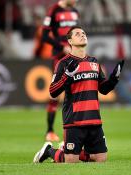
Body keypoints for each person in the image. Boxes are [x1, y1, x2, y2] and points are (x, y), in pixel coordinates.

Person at [33, 26, 125, 163]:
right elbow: (53, 91)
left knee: (100, 159)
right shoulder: (63, 63)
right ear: (69, 41)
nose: (82, 35)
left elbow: (103, 89)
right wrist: (67, 76)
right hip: (74, 120)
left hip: (94, 119)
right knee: (71, 161)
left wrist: (114, 79)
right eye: (77, 34)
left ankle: (70, 150)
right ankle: (49, 151)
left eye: (83, 33)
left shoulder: (93, 62)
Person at [41, 0, 80, 142]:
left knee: (76, 92)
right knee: (55, 94)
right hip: (59, 58)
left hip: (75, 57)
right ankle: (50, 131)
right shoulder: (54, 11)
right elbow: (45, 36)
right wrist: (62, 46)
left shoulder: (75, 12)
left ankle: (74, 130)